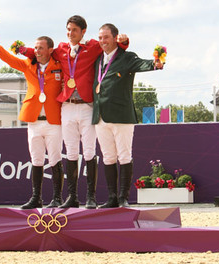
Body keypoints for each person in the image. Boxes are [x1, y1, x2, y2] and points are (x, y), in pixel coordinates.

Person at [23, 15, 129, 209]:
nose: (70, 33)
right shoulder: (61, 49)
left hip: (87, 106)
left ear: (83, 32)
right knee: (71, 152)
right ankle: (73, 196)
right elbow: (41, 53)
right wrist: (24, 50)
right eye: (68, 29)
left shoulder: (93, 47)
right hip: (68, 107)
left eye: (74, 30)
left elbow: (113, 47)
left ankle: (91, 197)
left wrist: (124, 41)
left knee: (89, 151)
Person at [0, 33, 64, 209]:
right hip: (34, 120)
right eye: (35, 48)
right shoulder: (28, 65)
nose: (37, 51)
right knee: (36, 160)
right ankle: (36, 197)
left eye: (41, 48)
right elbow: (7, 57)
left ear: (50, 50)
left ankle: (57, 198)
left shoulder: (59, 65)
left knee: (55, 159)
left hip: (53, 121)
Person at [92, 23, 164, 208]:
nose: (102, 41)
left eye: (106, 37)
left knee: (124, 156)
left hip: (121, 116)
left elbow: (144, 64)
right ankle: (112, 198)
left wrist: (156, 63)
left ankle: (123, 197)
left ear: (115, 38)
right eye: (100, 37)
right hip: (100, 116)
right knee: (108, 157)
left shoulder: (127, 57)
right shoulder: (98, 59)